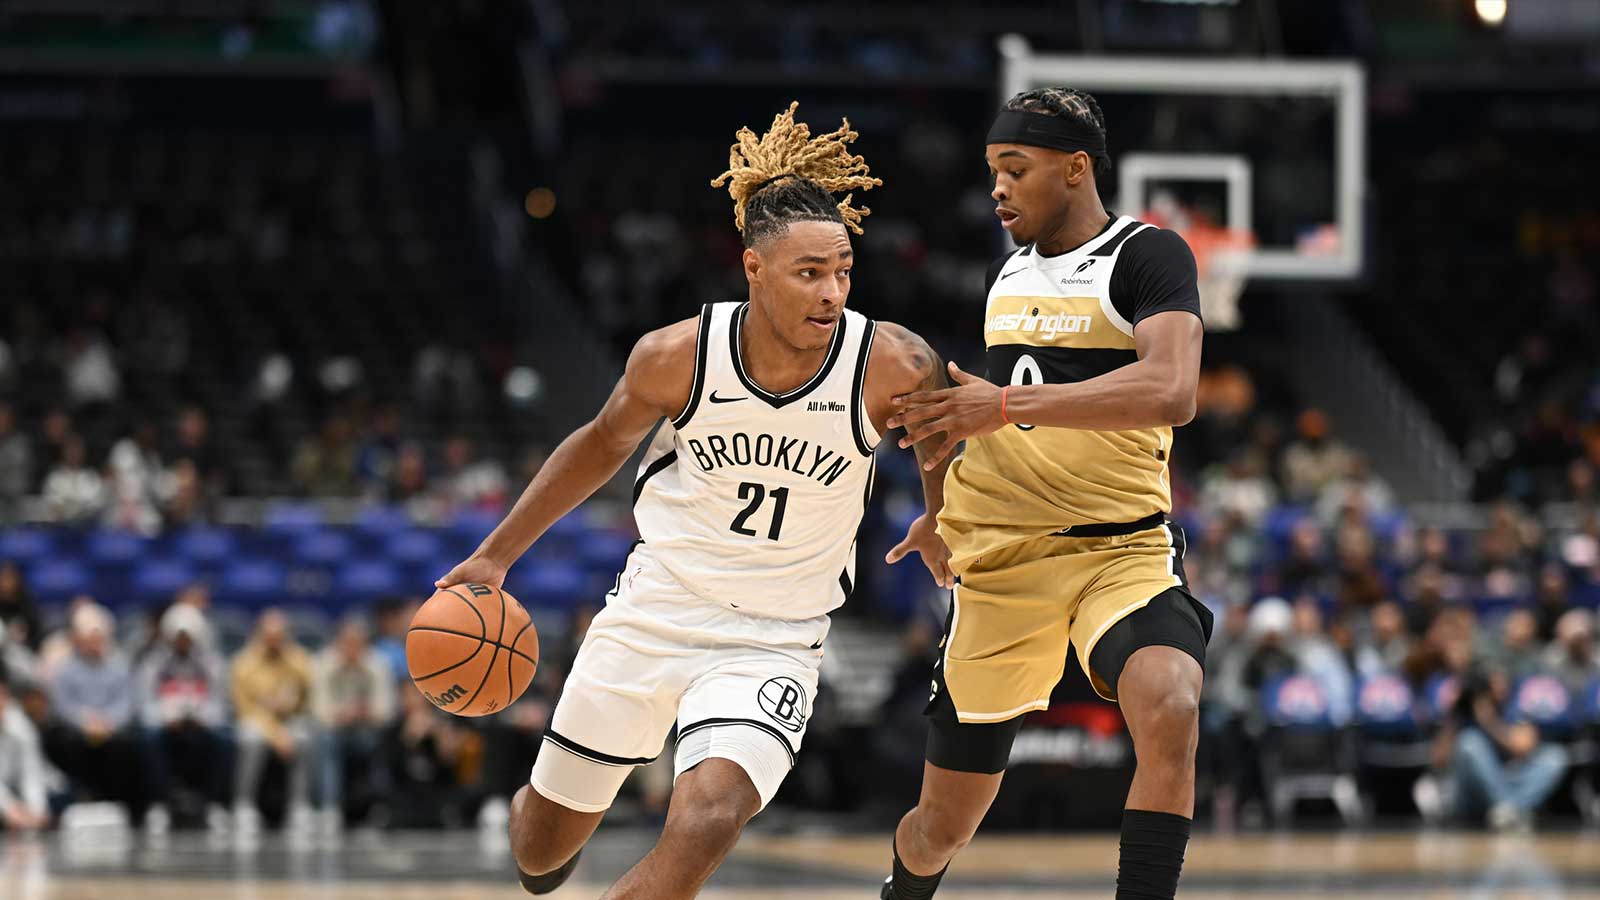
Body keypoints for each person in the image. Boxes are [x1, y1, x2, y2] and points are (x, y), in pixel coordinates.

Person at [434, 102, 947, 898]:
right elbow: (599, 446)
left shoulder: (890, 362)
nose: (832, 292)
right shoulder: (677, 356)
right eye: (809, 273)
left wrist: (938, 513)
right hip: (656, 610)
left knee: (708, 816)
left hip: (775, 638)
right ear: (753, 267)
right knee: (538, 860)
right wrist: (495, 556)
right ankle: (532, 804)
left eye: (843, 271)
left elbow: (947, 426)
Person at [881, 87, 1209, 900]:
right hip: (1002, 559)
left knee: (1171, 701)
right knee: (938, 829)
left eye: (1014, 169)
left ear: (1074, 168)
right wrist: (936, 512)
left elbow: (1173, 389)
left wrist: (1006, 403)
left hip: (1121, 547)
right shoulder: (1008, 275)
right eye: (993, 170)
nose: (996, 187)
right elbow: (955, 420)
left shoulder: (1148, 255)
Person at [230, 608, 315, 832]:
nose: (275, 642)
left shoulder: (298, 660)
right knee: (251, 739)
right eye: (270, 637)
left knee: (304, 737)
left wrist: (288, 706)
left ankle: (299, 806)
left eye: (279, 637)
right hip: (257, 722)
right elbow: (244, 709)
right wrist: (275, 734)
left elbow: (305, 702)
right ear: (259, 635)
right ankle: (244, 805)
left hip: (290, 721)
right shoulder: (244, 663)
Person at [310, 618, 395, 829]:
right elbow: (318, 711)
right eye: (346, 643)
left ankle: (381, 807)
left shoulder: (377, 664)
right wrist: (341, 714)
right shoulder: (323, 664)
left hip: (367, 730)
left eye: (357, 644)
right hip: (335, 730)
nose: (351, 650)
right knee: (325, 740)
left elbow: (387, 711)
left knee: (383, 740)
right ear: (337, 644)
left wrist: (363, 713)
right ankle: (330, 808)